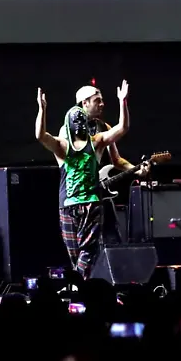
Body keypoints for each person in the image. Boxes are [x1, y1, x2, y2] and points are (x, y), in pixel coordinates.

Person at [36, 82, 132, 277]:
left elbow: (122, 129)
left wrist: (123, 102)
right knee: (76, 255)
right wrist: (42, 109)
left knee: (87, 253)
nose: (80, 125)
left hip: (91, 203)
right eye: (98, 101)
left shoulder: (97, 139)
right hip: (68, 204)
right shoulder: (62, 143)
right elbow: (40, 135)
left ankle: (78, 289)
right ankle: (81, 285)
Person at [56, 85, 145, 245]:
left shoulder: (103, 127)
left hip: (102, 191)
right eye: (98, 101)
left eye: (102, 101)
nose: (102, 104)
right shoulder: (67, 130)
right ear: (85, 103)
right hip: (81, 196)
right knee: (85, 244)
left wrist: (135, 170)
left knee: (113, 237)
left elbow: (116, 160)